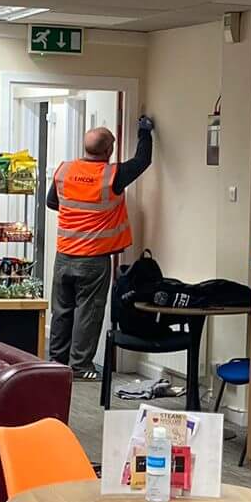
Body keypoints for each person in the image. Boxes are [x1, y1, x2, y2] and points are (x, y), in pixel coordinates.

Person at [44, 114, 153, 381]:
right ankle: (80, 366)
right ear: (109, 150)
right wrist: (144, 131)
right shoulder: (113, 174)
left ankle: (56, 363)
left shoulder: (64, 170)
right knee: (88, 312)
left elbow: (52, 202)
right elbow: (143, 161)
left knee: (62, 311)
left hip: (64, 255)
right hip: (93, 259)